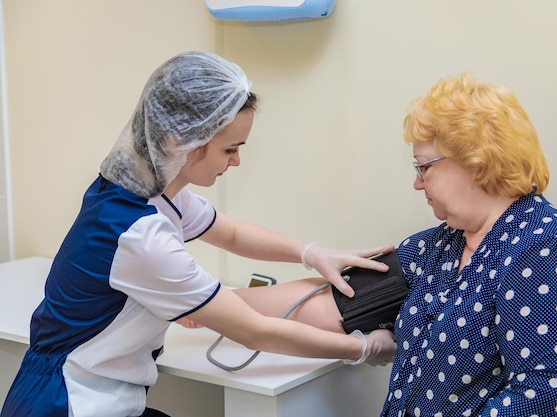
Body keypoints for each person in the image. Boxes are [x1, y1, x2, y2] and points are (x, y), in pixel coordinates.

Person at [0, 51, 397, 417]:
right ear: (182, 142)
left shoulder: (145, 193)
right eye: (230, 149)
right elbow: (253, 332)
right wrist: (361, 348)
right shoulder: (140, 237)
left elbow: (235, 234)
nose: (237, 161)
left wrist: (312, 252)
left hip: (87, 391)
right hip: (68, 403)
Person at [378, 73, 557, 416]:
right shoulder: (436, 248)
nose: (417, 184)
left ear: (475, 161)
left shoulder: (550, 249)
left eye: (424, 168)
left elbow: (552, 394)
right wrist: (310, 256)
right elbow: (345, 301)